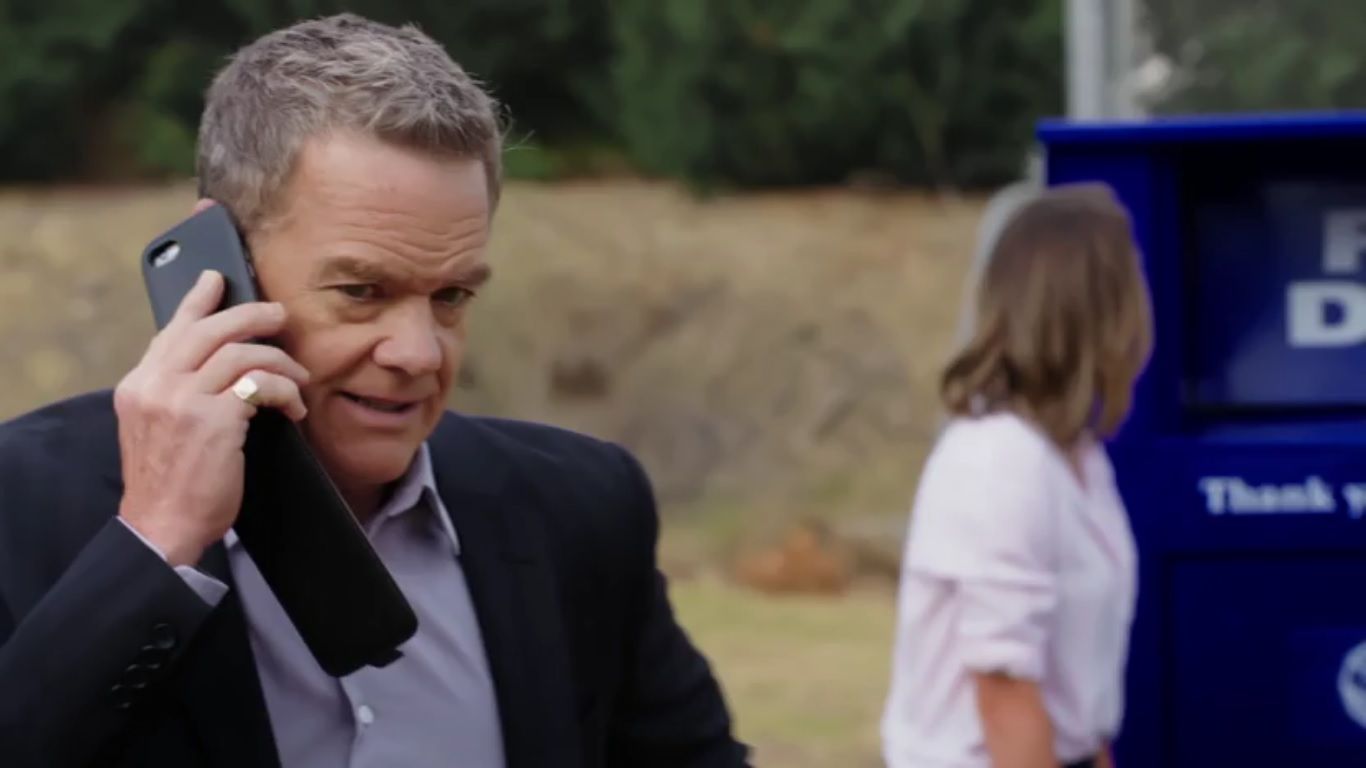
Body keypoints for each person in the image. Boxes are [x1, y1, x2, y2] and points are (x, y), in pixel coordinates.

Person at [0, 14, 748, 768]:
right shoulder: (19, 505)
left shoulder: (581, 507)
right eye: (361, 291)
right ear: (219, 268)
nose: (419, 353)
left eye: (451, 296)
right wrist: (154, 546)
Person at [881, 185, 1153, 768]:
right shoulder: (1000, 461)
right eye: (1132, 281)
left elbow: (1079, 699)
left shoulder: (1077, 457)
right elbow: (1006, 692)